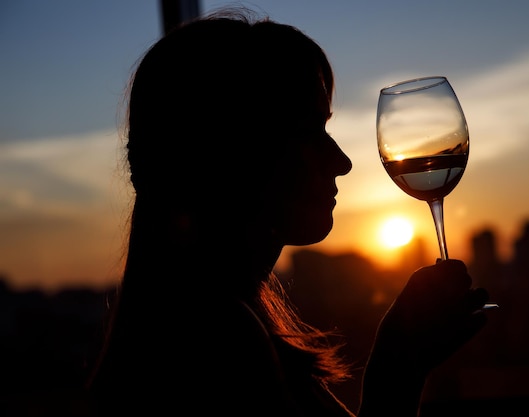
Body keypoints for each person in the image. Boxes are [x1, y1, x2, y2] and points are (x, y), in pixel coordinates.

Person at [86, 6, 491, 416]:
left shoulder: (193, 322)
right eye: (309, 131)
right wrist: (398, 367)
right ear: (234, 148)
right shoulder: (215, 340)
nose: (342, 161)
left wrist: (404, 359)